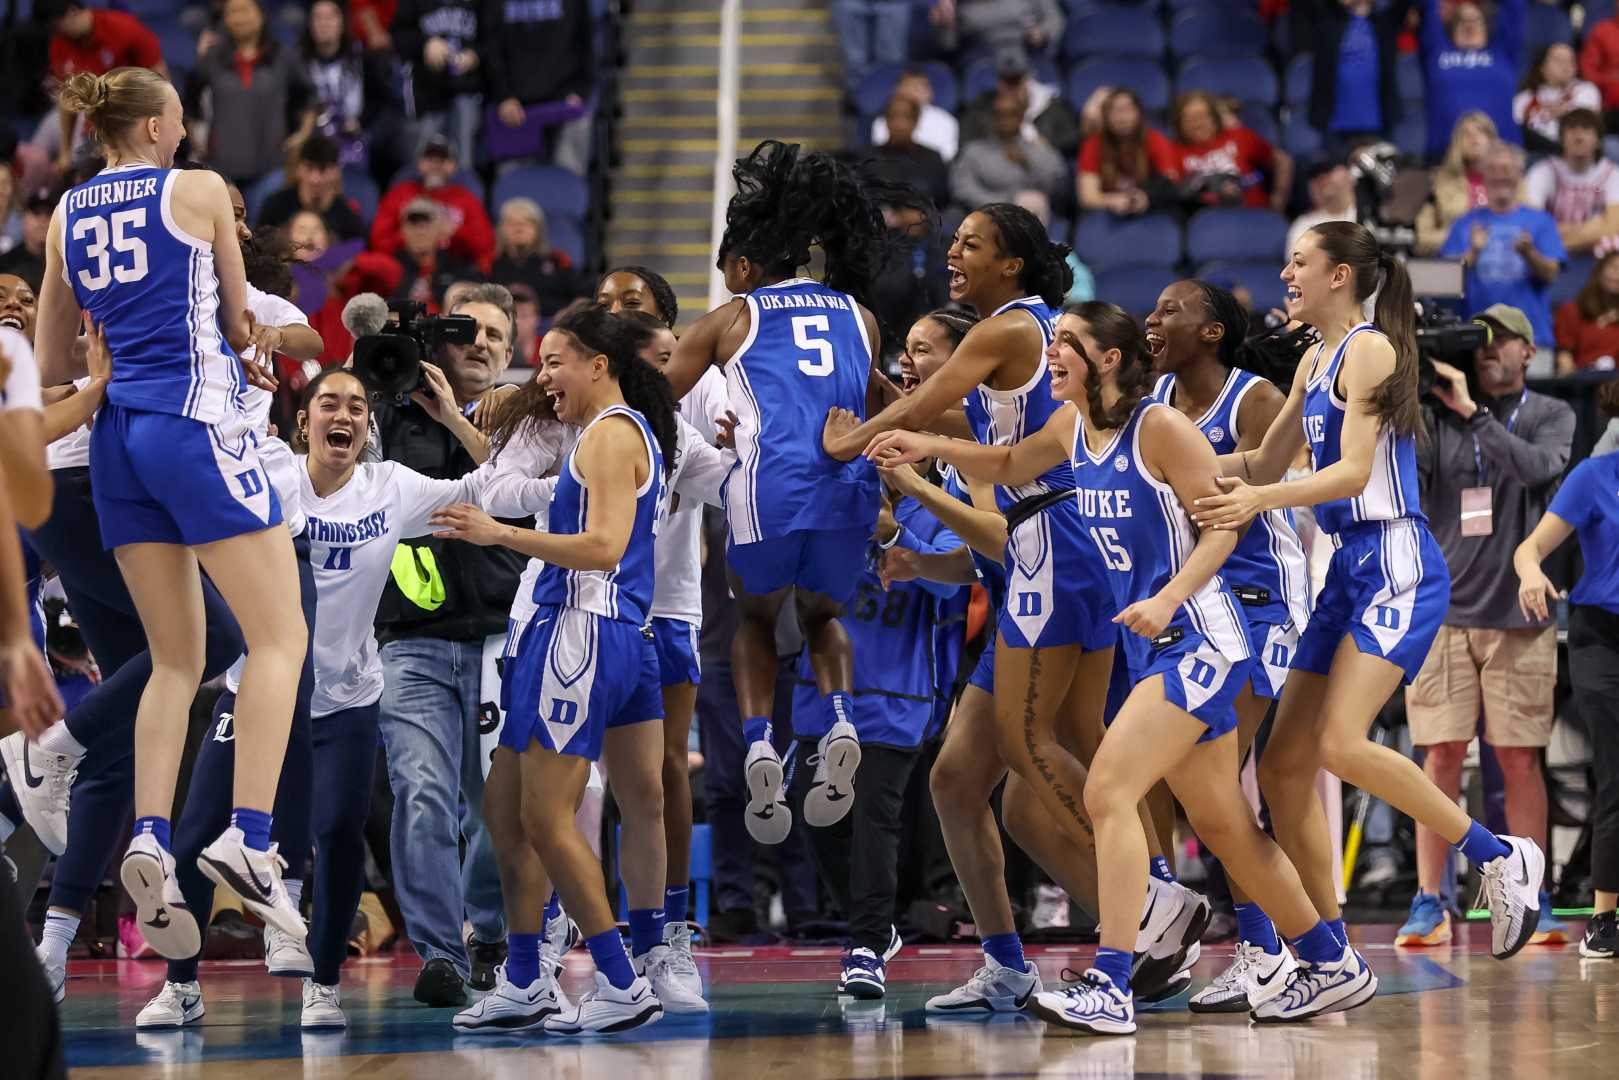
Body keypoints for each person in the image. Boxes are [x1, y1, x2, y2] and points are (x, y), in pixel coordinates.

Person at [865, 301, 1359, 1035]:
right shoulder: (1068, 426)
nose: (1050, 353)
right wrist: (914, 441)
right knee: (1222, 822)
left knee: (1109, 789)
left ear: (1107, 358)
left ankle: (1112, 980)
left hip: (1200, 637)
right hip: (1156, 642)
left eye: (1066, 344)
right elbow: (1005, 463)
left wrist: (1167, 598)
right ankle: (1328, 961)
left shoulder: (1158, 427)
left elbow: (1222, 526)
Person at [821, 205, 1206, 1001]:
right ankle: (1011, 961)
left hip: (1050, 550)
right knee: (963, 781)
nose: (953, 251)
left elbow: (924, 412)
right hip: (1046, 555)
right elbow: (943, 413)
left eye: (971, 244)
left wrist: (850, 442)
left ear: (1011, 264)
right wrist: (876, 397)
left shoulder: (1005, 331)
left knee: (1029, 744)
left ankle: (1157, 901)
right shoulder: (1014, 354)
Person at [1192, 220, 1548, 992]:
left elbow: (1352, 474)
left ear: (1341, 275)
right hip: (1347, 569)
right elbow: (1261, 459)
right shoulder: (1312, 359)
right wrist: (1163, 468)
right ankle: (1330, 956)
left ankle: (1496, 855)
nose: (1286, 274)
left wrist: (1255, 496)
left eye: (1299, 263)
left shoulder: (1369, 350)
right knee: (1282, 767)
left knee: (1340, 746)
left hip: (1394, 559)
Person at [34, 67, 308, 962]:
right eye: (181, 122)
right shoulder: (193, 189)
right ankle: (251, 836)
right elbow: (236, 321)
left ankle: (150, 834)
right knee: (278, 639)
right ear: (153, 127)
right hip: (195, 426)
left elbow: (48, 366)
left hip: (114, 439)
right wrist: (256, 348)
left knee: (176, 660)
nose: (186, 135)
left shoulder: (68, 216)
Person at [429, 305, 679, 1034]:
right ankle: (523, 979)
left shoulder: (608, 436)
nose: (543, 377)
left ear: (597, 364)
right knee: (506, 810)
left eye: (553, 362)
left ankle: (621, 980)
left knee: (544, 815)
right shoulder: (607, 434)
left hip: (581, 629)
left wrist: (497, 532)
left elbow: (601, 546)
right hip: (618, 635)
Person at [662, 141, 896, 847]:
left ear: (742, 265)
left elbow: (649, 397)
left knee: (756, 620)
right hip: (846, 491)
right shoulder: (860, 316)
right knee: (824, 618)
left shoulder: (731, 319)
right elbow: (870, 398)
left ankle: (761, 742)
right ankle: (842, 721)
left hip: (769, 492)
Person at [1144, 280, 1314, 1013]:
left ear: (1211, 332)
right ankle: (1252, 942)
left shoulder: (1252, 398)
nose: (1153, 319)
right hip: (1195, 598)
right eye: (1150, 311)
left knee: (1218, 782)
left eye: (1170, 310)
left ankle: (1266, 949)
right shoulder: (1153, 396)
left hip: (1259, 598)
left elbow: (1271, 473)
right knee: (1192, 785)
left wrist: (1178, 466)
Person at [1394, 302, 1574, 950]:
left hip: (1517, 615)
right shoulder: (1433, 415)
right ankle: (1427, 900)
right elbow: (1405, 494)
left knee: (1518, 757)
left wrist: (1475, 415)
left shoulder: (1553, 413)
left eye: (1502, 344)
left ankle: (1533, 895)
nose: (1489, 352)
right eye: (1481, 343)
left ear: (1528, 351)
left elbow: (1537, 469)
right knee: (1436, 755)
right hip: (1441, 613)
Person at [369, 283, 527, 1005]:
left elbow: (518, 484)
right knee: (423, 795)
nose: (481, 342)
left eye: (496, 333)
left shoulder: (531, 414)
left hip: (506, 633)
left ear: (514, 350)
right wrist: (382, 371)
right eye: (466, 329)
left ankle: (488, 927)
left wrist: (456, 418)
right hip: (411, 639)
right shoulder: (387, 406)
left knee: (503, 809)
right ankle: (440, 955)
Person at [1514, 380, 1619, 961]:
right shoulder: (1592, 476)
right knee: (1614, 769)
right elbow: (1529, 550)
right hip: (1602, 636)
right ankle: (1605, 916)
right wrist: (1531, 573)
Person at [1441, 143, 1565, 370]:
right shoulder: (1464, 224)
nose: (1501, 174)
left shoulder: (1541, 221)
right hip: (1478, 340)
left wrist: (1529, 254)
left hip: (1531, 338)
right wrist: (1473, 253)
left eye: (1508, 168)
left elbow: (1551, 274)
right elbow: (1444, 282)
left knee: (1533, 406)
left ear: (1519, 175)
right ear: (1484, 176)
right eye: (1494, 168)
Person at [185, 0, 316, 188]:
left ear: (261, 15)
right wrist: (195, 138)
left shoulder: (283, 57)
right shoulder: (212, 58)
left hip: (272, 166)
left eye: (245, 10)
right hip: (222, 168)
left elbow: (309, 96)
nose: (238, 18)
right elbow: (189, 100)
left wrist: (303, 134)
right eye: (232, 12)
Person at [38, 0, 166, 172]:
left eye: (57, 26)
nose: (56, 33)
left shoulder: (124, 29)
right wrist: (65, 152)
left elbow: (161, 84)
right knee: (78, 174)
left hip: (137, 124)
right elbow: (68, 101)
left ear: (72, 12)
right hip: (97, 134)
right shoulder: (60, 44)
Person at [478, 0, 593, 174]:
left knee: (567, 187)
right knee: (515, 190)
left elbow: (585, 40)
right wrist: (502, 96)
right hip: (516, 108)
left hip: (564, 104)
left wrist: (580, 90)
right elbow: (490, 46)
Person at [300, 0, 408, 183]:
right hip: (312, 151)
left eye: (330, 17)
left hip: (355, 151)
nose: (323, 23)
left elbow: (382, 107)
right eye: (317, 17)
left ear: (342, 22)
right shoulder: (298, 63)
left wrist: (361, 125)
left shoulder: (364, 60)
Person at [1291, 0, 1415, 155]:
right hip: (1335, 127)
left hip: (1378, 125)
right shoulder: (1327, 20)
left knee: (1379, 177)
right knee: (1338, 176)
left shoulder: (1385, 22)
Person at [1419, 0, 1525, 162]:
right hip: (1446, 156)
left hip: (1501, 156)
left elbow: (1514, 8)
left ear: (1487, 25)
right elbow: (1429, 8)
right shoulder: (1437, 51)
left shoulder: (1503, 52)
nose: (1470, 25)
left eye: (1476, 20)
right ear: (1452, 27)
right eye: (1462, 20)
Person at [371, 134, 494, 274]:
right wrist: (411, 235)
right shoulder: (400, 194)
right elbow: (378, 241)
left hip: (453, 269)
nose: (435, 165)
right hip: (405, 269)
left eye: (442, 159)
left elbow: (485, 246)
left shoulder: (466, 199)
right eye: (430, 159)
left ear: (453, 166)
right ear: (419, 163)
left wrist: (455, 233)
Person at [1170, 91, 1292, 214]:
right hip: (1207, 224)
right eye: (1190, 119)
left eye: (1203, 116)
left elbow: (1282, 161)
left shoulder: (1239, 136)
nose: (1198, 124)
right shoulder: (1174, 152)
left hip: (1253, 216)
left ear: (1214, 118)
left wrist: (1279, 197)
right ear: (1180, 124)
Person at [392, 0, 481, 167]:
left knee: (463, 166)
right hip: (426, 94)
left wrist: (475, 54)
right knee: (424, 165)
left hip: (467, 92)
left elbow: (494, 37)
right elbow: (398, 36)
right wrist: (425, 44)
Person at [950, 88, 1069, 212]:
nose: (1005, 120)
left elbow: (1057, 188)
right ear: (993, 117)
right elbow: (963, 190)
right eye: (1000, 114)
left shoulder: (1040, 150)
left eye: (1012, 114)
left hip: (1031, 217)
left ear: (1022, 116)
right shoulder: (973, 151)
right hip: (987, 215)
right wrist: (1005, 203)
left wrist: (1028, 165)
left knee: (1033, 202)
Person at [1524, 109, 1619, 258]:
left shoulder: (1612, 175)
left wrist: (1555, 236)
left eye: (1586, 129)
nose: (1579, 136)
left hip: (1598, 261)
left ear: (1598, 140)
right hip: (1551, 261)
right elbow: (1530, 225)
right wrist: (1595, 227)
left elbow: (1611, 229)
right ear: (1561, 138)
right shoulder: (1543, 171)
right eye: (1572, 129)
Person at [1076, 89, 1179, 219]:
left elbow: (1171, 182)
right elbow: (1087, 197)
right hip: (1108, 214)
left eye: (1127, 110)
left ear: (1139, 113)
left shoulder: (1155, 140)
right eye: (1115, 111)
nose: (1122, 117)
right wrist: (1111, 200)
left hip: (1150, 210)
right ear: (1105, 116)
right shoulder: (1094, 144)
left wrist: (1146, 197)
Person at [1414, 111, 1503, 257]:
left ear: (1492, 140)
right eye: (1466, 134)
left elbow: (1531, 225)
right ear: (1457, 144)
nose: (1474, 138)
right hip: (1457, 262)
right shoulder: (1440, 185)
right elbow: (1422, 240)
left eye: (1481, 131)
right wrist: (1460, 234)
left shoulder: (1510, 181)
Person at [255, 133, 368, 242]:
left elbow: (356, 253)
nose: (315, 179)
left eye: (322, 169)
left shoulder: (347, 218)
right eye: (309, 168)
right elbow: (259, 248)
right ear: (298, 169)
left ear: (336, 172)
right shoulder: (275, 207)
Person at [491, 198, 582, 320]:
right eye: (512, 223)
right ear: (502, 230)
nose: (519, 228)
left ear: (538, 229)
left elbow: (582, 296)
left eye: (526, 223)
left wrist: (569, 314)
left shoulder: (558, 262)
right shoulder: (490, 264)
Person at [389, 198, 478, 312]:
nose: (420, 232)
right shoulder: (391, 268)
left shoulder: (456, 267)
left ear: (441, 231)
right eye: (413, 224)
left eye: (426, 225)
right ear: (402, 231)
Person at [1514, 43, 1602, 157]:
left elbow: (1584, 121)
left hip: (1570, 152)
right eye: (1559, 60)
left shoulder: (1586, 90)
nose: (1566, 65)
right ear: (1542, 66)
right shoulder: (1524, 98)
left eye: (1571, 60)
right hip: (1533, 152)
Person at [867, 95, 950, 212]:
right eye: (893, 117)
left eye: (906, 117)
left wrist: (924, 215)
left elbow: (943, 201)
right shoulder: (868, 158)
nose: (899, 124)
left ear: (916, 121)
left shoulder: (933, 159)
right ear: (886, 121)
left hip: (924, 225)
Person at [871, 68, 959, 162]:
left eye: (919, 88)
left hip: (931, 171)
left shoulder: (946, 121)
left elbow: (947, 156)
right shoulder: (882, 121)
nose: (914, 93)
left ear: (930, 93)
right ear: (898, 91)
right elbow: (881, 153)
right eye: (909, 87)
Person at [1555, 250, 1619, 373]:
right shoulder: (1572, 311)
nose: (1617, 274)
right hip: (1582, 384)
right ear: (1599, 271)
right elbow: (1564, 355)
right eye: (1614, 267)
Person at [1287, 159, 1359, 264]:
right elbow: (1298, 273)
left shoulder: (1373, 215)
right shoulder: (1303, 226)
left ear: (1350, 175)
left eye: (1328, 171)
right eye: (1314, 176)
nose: (1321, 179)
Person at [831, 0, 910, 94]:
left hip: (893, 4)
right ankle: (860, 100)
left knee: (891, 59)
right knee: (854, 61)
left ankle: (885, 99)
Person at [0, 187, 52, 291]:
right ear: (24, 220)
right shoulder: (5, 265)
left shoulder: (68, 263)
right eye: (36, 212)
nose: (43, 220)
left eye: (49, 213)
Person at [595, 265, 679, 329]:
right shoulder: (587, 350)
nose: (614, 311)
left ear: (662, 315)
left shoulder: (682, 351)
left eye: (631, 303)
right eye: (603, 306)